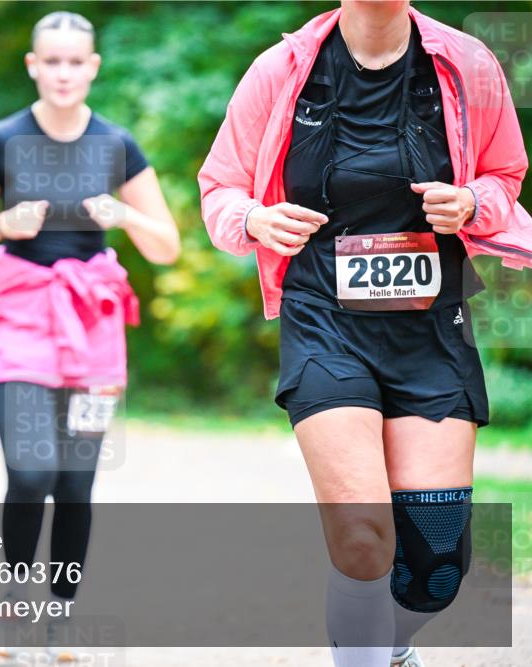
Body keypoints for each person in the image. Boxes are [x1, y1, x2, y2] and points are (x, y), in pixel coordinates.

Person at [199, 2, 530, 666]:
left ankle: (388, 645)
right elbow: (220, 189)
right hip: (324, 318)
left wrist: (472, 203)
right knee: (360, 538)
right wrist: (255, 219)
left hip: (432, 329)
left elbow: (505, 176)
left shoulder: (467, 64)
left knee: (436, 568)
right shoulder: (283, 68)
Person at [0, 9, 180, 661]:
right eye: (52, 61)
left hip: (93, 329)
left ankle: (61, 616)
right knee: (31, 470)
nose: (64, 73)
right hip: (18, 320)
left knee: (74, 484)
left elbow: (167, 247)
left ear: (92, 67)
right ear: (33, 66)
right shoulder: (1, 140)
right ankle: (16, 603)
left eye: (76, 62)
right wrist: (1, 223)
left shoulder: (117, 145)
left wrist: (124, 214)